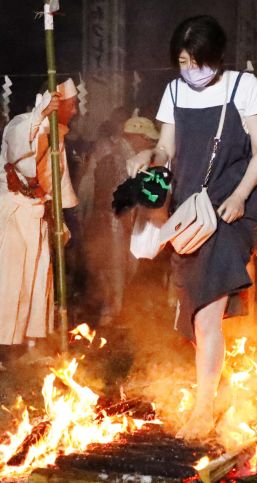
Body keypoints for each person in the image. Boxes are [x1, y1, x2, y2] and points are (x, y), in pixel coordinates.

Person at [126, 15, 257, 439]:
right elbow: (166, 148)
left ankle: (204, 408)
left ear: (217, 58)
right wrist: (149, 158)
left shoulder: (243, 87)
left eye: (197, 62)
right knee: (196, 308)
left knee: (207, 313)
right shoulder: (174, 91)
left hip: (228, 210)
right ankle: (214, 384)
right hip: (187, 212)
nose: (191, 71)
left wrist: (241, 195)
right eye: (184, 62)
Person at [0, 79, 79, 368]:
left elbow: (56, 181)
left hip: (38, 216)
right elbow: (18, 156)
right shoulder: (22, 123)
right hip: (14, 216)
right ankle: (4, 348)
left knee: (38, 281)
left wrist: (59, 217)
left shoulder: (58, 134)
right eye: (72, 104)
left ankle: (30, 343)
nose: (76, 108)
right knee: (11, 281)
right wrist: (41, 115)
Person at [84, 117, 160, 327]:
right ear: (134, 137)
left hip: (111, 220)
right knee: (115, 269)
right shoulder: (119, 158)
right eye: (146, 139)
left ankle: (112, 316)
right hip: (112, 222)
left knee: (116, 269)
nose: (148, 144)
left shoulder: (124, 155)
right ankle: (111, 319)